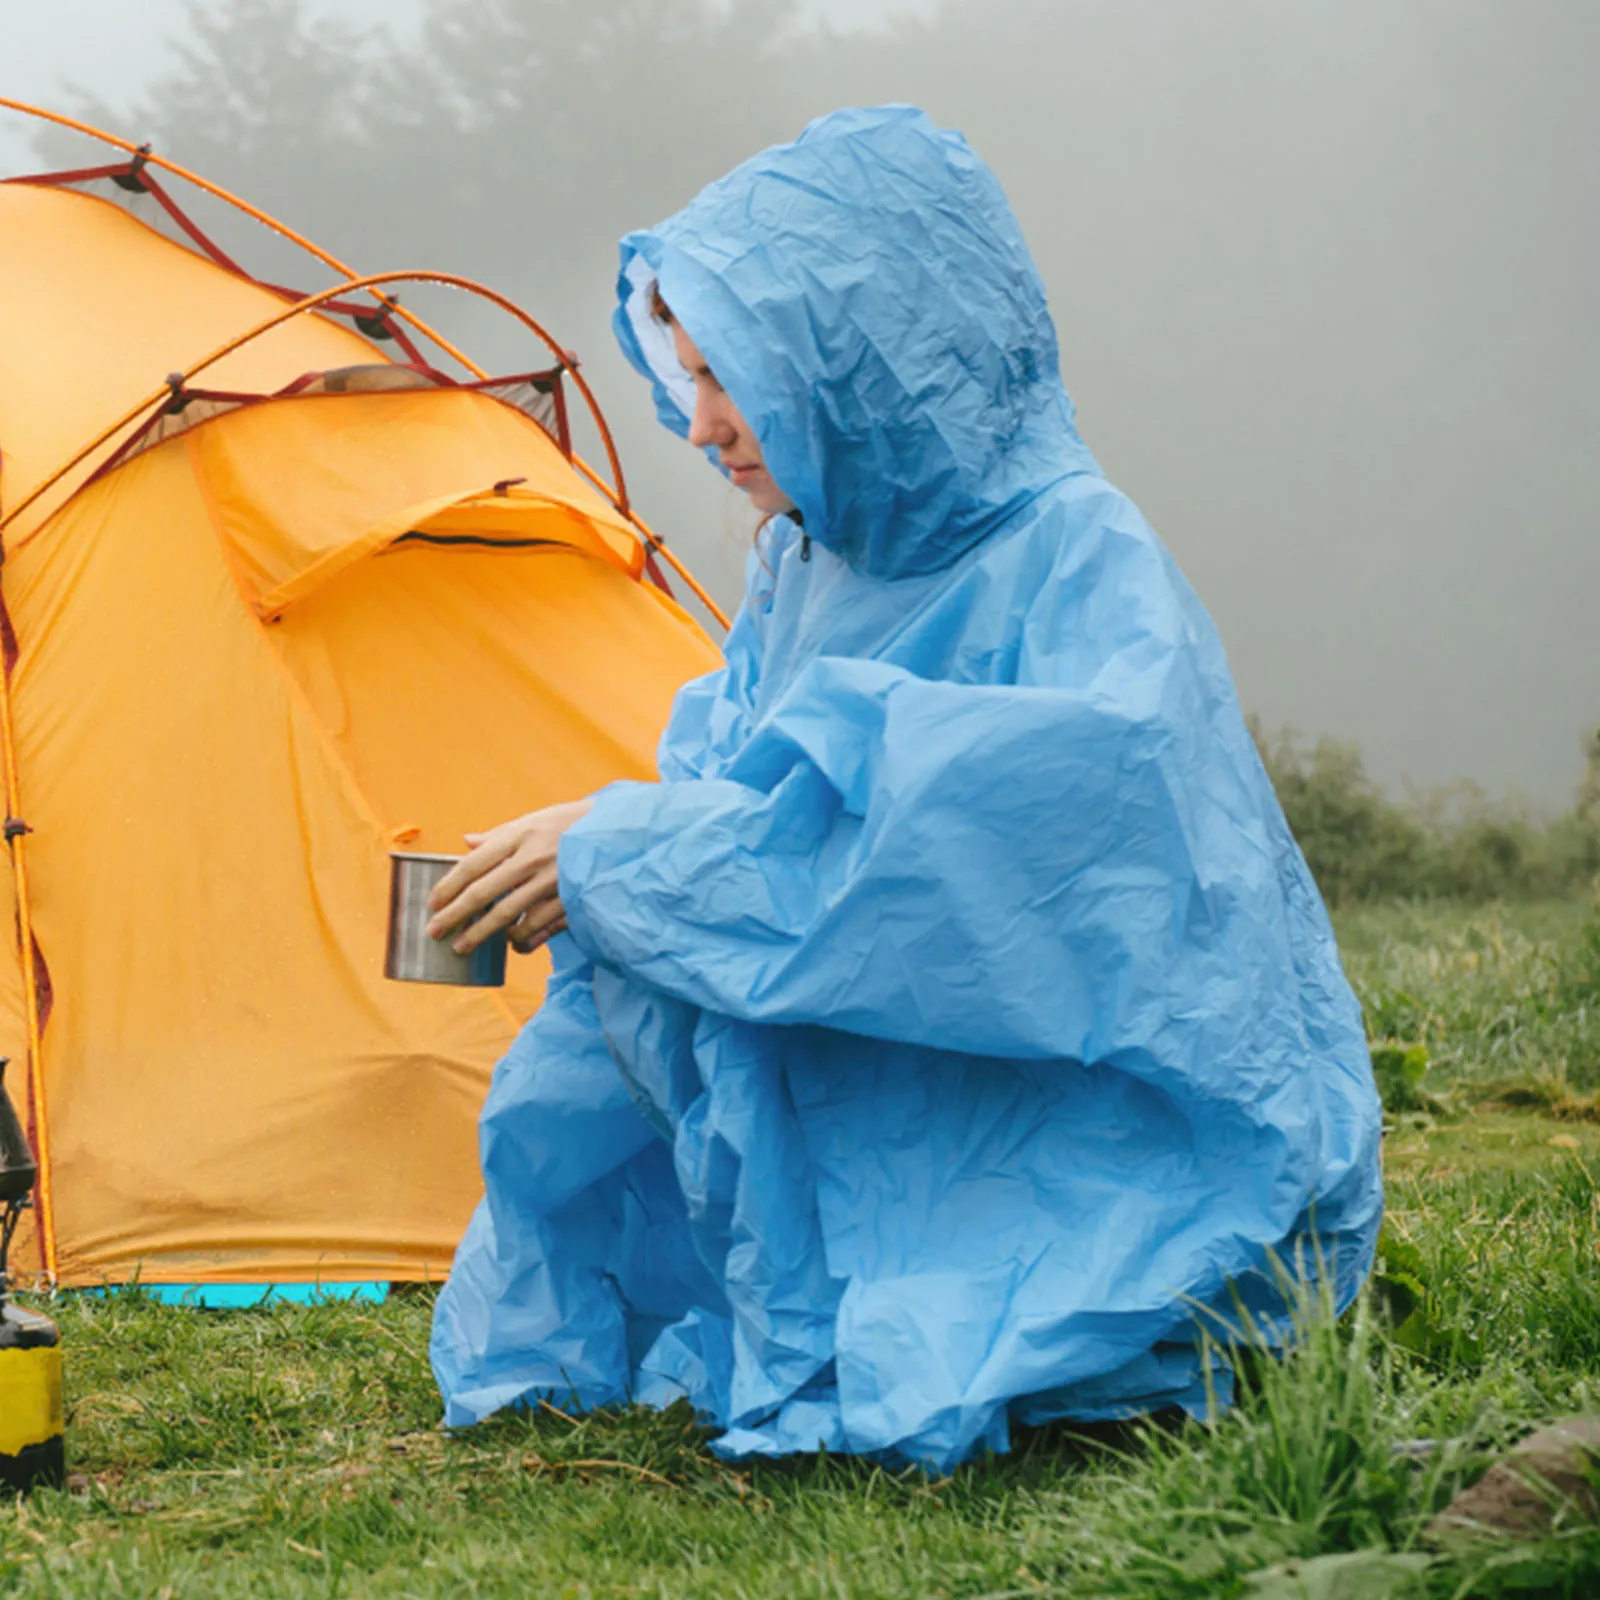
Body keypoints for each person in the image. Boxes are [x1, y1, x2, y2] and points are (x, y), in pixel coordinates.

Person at [426, 105, 1383, 1473]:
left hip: (1110, 1118)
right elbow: (742, 800)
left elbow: (1005, 863)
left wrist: (632, 851)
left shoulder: (1071, 555)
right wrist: (611, 862)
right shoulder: (809, 557)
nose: (697, 427)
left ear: (851, 367)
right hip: (898, 1102)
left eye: (732, 379)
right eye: (682, 375)